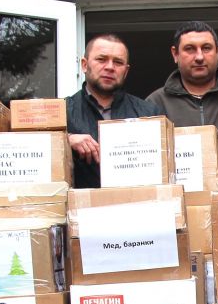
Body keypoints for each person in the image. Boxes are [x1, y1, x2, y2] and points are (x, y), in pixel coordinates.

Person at [147, 21, 218, 176]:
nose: (199, 57)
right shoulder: (155, 104)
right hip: (180, 192)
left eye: (206, 48)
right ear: (175, 54)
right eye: (190, 49)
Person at [66, 34, 164, 189]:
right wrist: (67, 140)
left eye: (118, 62)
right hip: (82, 204)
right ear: (84, 65)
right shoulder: (64, 111)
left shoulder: (149, 112)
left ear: (126, 71)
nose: (110, 67)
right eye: (101, 59)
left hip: (137, 202)